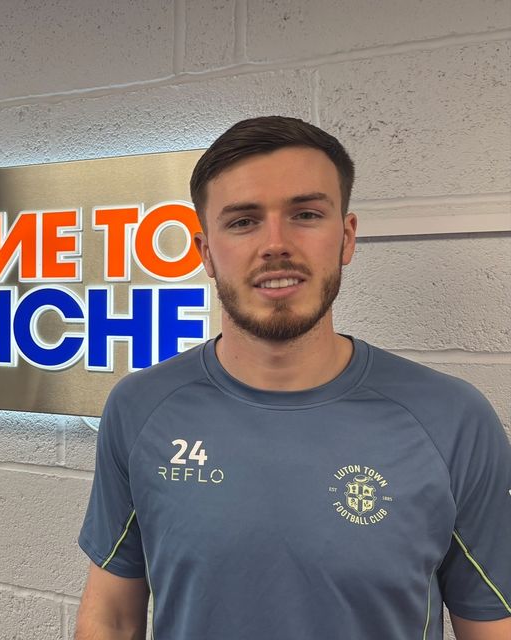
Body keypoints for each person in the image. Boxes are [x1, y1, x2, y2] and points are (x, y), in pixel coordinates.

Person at [75, 116, 511, 639]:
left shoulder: (453, 420)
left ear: (346, 237)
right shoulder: (140, 408)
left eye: (305, 214)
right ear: (205, 252)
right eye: (243, 221)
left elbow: (489, 626)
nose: (275, 244)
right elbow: (113, 617)